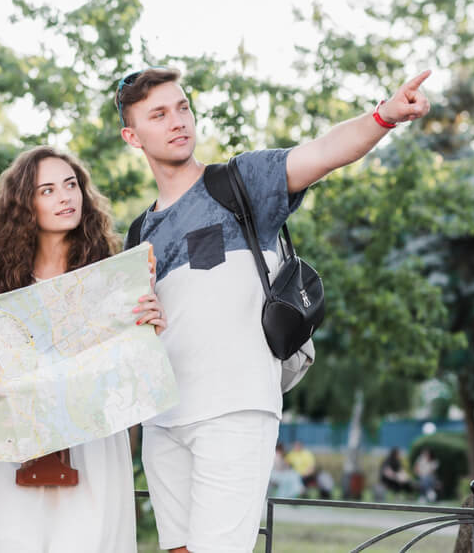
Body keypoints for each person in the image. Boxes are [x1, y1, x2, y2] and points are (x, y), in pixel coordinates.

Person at [115, 66, 431, 552]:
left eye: (182, 107)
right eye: (158, 114)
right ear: (132, 136)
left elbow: (323, 152)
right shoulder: (137, 235)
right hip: (164, 420)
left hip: (235, 407)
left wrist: (384, 116)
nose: (177, 121)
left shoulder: (239, 183)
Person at [0, 146, 166, 553]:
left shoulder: (114, 278)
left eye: (71, 185)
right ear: (23, 206)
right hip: (20, 450)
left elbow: (130, 375)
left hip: (94, 446)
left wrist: (150, 328)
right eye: (47, 190)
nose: (65, 197)